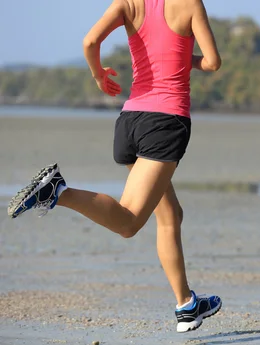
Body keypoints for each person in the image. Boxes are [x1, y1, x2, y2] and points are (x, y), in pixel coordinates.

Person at [7, 0, 223, 333]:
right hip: (165, 123)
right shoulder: (189, 3)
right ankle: (57, 191)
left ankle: (186, 305)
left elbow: (90, 42)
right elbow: (212, 62)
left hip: (129, 122)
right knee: (129, 222)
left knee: (170, 215)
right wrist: (185, 59)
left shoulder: (128, 2)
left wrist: (99, 76)